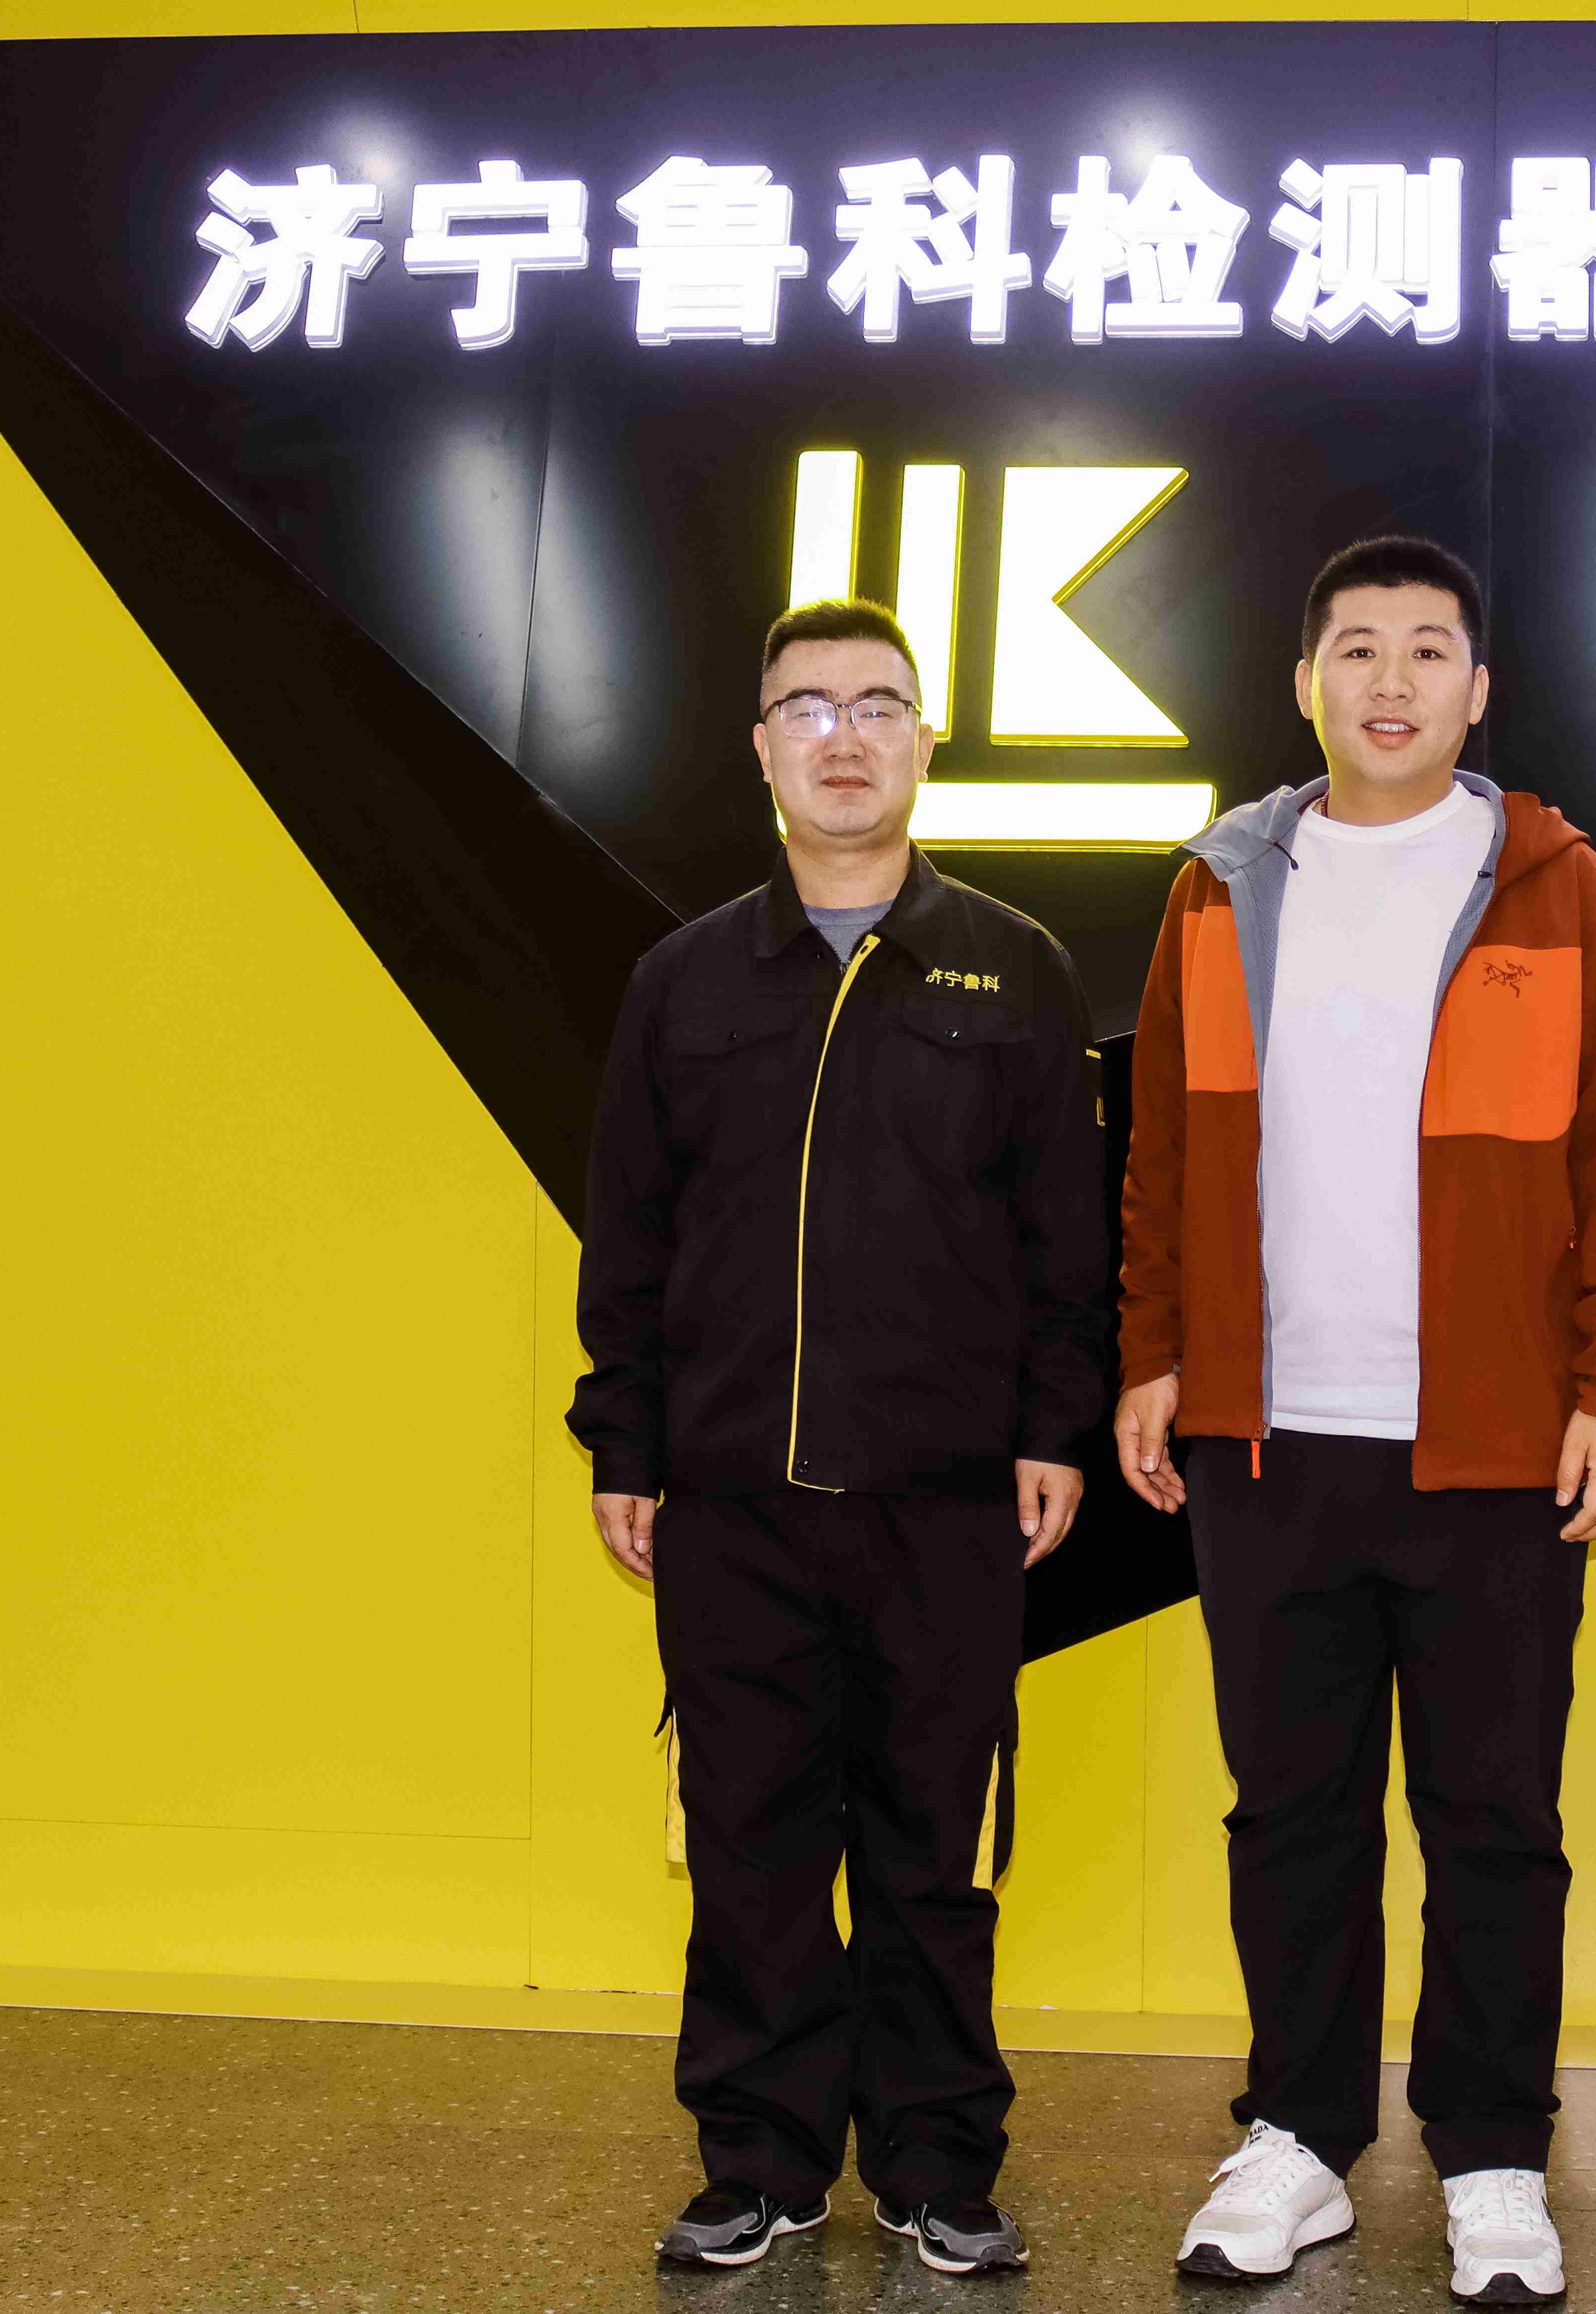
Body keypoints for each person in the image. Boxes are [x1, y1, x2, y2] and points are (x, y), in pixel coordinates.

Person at [1112, 536, 1596, 2303]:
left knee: (1494, 1818)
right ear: (1305, 684)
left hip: (1495, 1449)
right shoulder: (1217, 889)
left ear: (1479, 690)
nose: (1390, 680)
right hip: (1268, 1438)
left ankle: (1495, 2154)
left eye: (1428, 649)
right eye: (1356, 647)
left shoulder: (1569, 893)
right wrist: (1154, 1352)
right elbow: (1160, 1153)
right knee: (1292, 1812)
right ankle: (1298, 2138)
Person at [568, 598, 1109, 2278]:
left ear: (926, 739)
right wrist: (626, 1440)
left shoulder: (1013, 967)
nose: (845, 736)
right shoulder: (684, 979)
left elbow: (1066, 1236)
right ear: (762, 748)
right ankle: (760, 2160)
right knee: (752, 1850)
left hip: (944, 1507)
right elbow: (630, 1233)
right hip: (733, 1504)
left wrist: (1054, 1428)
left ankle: (939, 2164)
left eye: (879, 705)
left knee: (933, 1854)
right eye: (808, 707)